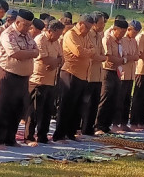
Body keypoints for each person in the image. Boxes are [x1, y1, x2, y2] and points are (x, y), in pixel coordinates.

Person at [0, 9, 39, 148]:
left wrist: (27, 53)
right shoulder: (8, 34)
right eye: (25, 25)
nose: (28, 28)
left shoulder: (27, 36)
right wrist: (29, 53)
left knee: (18, 108)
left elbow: (36, 51)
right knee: (3, 107)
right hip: (8, 74)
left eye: (30, 26)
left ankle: (10, 139)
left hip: (23, 77)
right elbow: (15, 53)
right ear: (18, 22)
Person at [52, 14, 94, 142]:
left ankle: (71, 133)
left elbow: (94, 49)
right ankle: (59, 135)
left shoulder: (86, 36)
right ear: (80, 24)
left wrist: (87, 51)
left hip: (83, 75)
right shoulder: (70, 35)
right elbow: (78, 52)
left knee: (78, 106)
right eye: (86, 27)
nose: (87, 30)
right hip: (70, 73)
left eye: (90, 28)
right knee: (66, 105)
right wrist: (88, 52)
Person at [24, 20, 64, 146]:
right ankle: (29, 137)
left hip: (51, 81)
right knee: (34, 110)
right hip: (38, 80)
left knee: (47, 110)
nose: (59, 36)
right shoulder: (40, 40)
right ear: (50, 31)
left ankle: (42, 136)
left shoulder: (56, 42)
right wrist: (54, 62)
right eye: (58, 33)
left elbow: (61, 59)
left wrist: (54, 63)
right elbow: (44, 59)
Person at [94, 19, 128, 135]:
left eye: (124, 32)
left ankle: (106, 125)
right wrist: (122, 60)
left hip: (116, 72)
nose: (122, 34)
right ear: (114, 29)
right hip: (106, 71)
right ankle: (98, 125)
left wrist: (122, 60)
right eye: (121, 32)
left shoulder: (121, 41)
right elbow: (109, 57)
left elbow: (124, 56)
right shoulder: (107, 39)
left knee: (114, 99)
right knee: (105, 98)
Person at [81, 12, 107, 136]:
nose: (103, 25)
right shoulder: (88, 36)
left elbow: (102, 54)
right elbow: (92, 55)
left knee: (94, 103)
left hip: (98, 75)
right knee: (86, 103)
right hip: (89, 74)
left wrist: (100, 57)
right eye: (101, 23)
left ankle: (89, 128)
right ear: (94, 24)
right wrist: (100, 57)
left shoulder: (100, 36)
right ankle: (82, 128)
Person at [113, 20, 141, 132]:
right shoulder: (121, 40)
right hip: (123, 74)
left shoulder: (134, 41)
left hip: (131, 74)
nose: (135, 35)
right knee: (119, 100)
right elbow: (123, 56)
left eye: (137, 33)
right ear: (129, 29)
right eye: (134, 32)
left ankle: (124, 123)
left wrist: (130, 57)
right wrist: (129, 57)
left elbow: (137, 55)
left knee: (126, 100)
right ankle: (116, 123)